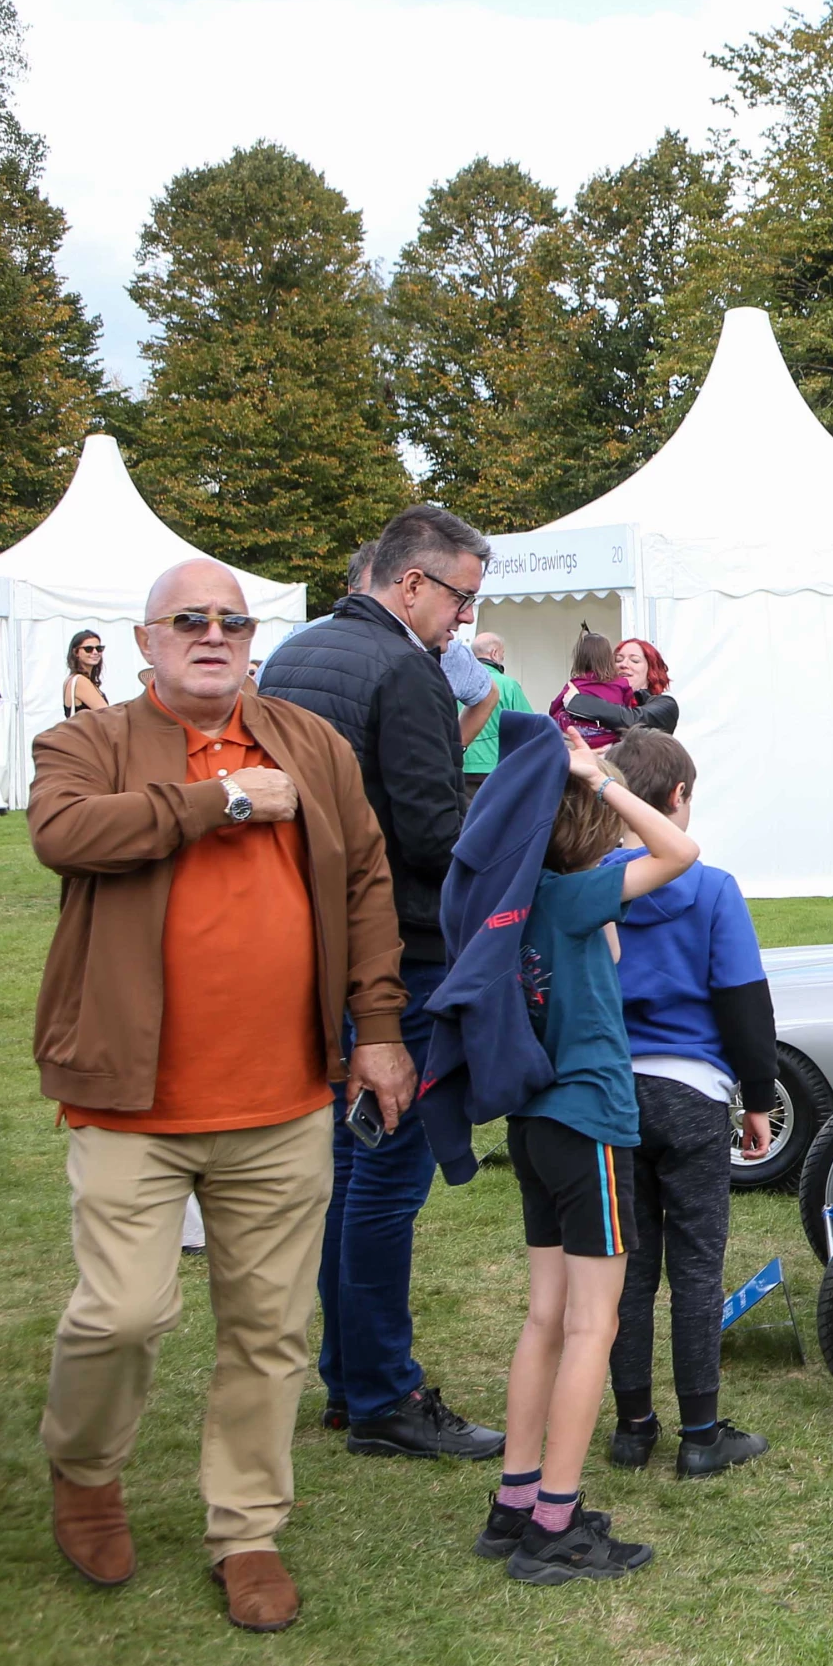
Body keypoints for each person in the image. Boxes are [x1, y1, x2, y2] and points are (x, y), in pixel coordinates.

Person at [31, 561, 414, 1631]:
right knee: (121, 1314)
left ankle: (246, 1528)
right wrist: (224, 800)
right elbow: (64, 834)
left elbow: (366, 883)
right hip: (131, 1102)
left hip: (283, 1099)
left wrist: (380, 1028)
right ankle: (85, 1471)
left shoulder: (312, 743)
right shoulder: (86, 741)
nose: (212, 634)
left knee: (270, 1330)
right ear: (144, 641)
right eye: (188, 620)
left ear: (252, 640)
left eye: (231, 622)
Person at [258, 504, 505, 1456]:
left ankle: (348, 1379)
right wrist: (513, 820)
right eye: (461, 598)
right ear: (412, 583)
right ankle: (380, 1395)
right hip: (396, 957)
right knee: (385, 1176)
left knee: (346, 1167)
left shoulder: (296, 653)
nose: (463, 619)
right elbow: (433, 837)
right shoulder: (404, 669)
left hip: (314, 948)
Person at [475, 730, 700, 1582]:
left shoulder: (521, 896)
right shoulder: (575, 896)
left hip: (535, 1124)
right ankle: (556, 1523)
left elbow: (606, 947)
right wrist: (602, 782)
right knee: (591, 1325)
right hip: (590, 1121)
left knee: (546, 1316)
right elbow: (678, 850)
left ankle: (515, 1500)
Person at [598, 730, 779, 1481]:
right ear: (678, 798)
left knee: (628, 1271)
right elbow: (743, 1001)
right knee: (697, 1270)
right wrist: (759, 1098)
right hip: (692, 1093)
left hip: (612, 1091)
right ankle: (701, 1433)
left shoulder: (589, 882)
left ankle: (633, 1426)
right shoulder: (710, 888)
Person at [463, 633, 530, 796]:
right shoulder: (508, 685)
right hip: (495, 767)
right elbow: (527, 728)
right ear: (494, 653)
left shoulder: (459, 684)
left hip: (461, 765)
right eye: (502, 654)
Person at [550, 633, 639, 751]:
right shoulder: (621, 684)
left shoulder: (575, 685)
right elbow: (628, 709)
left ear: (580, 658)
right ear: (609, 657)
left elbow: (554, 708)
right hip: (611, 745)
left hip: (578, 742)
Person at [614, 638, 681, 734]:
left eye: (635, 660)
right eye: (618, 660)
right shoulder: (604, 699)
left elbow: (632, 719)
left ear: (651, 671)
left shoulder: (665, 704)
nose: (623, 664)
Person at [62, 631, 109, 715]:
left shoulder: (73, 679)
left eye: (99, 648)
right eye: (88, 649)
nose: (95, 652)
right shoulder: (80, 681)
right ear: (76, 652)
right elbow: (107, 714)